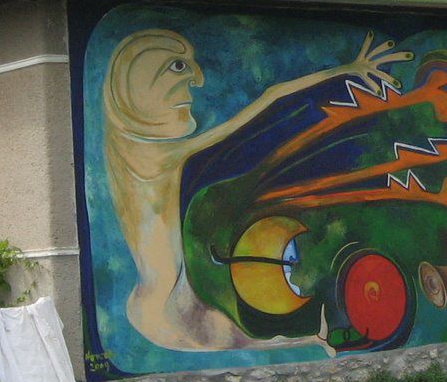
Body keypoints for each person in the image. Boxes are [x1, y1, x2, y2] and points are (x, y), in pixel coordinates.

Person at [101, 28, 408, 350]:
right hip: (167, 303)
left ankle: (312, 340)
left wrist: (349, 70)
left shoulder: (136, 154)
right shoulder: (156, 159)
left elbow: (269, 99)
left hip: (162, 299)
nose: (198, 81)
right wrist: (347, 70)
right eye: (178, 67)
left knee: (241, 336)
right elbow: (269, 98)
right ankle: (311, 340)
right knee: (239, 337)